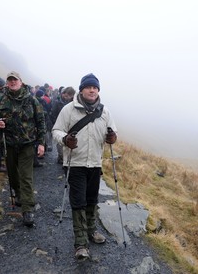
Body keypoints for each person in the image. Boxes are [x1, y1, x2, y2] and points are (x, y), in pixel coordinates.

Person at [52, 73, 118, 261]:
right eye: (88, 87)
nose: (92, 90)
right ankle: (80, 243)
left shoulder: (105, 112)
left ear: (98, 91)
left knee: (91, 199)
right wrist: (65, 139)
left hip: (95, 163)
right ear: (81, 89)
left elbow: (113, 131)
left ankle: (91, 230)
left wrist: (112, 137)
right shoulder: (69, 109)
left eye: (95, 88)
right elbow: (56, 130)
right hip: (75, 163)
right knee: (79, 201)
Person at [0, 71, 46, 227]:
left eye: (15, 80)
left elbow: (41, 122)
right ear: (7, 83)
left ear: (21, 82)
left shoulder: (32, 100)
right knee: (13, 175)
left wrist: (41, 143)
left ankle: (27, 210)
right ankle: (19, 195)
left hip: (27, 145)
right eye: (10, 80)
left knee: (26, 176)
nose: (12, 82)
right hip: (8, 144)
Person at [50, 86, 76, 164]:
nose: (66, 97)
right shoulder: (57, 102)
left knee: (70, 142)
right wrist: (55, 124)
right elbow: (53, 114)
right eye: (66, 96)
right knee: (60, 142)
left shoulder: (74, 103)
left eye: (69, 96)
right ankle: (61, 157)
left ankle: (69, 158)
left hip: (71, 126)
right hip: (60, 124)